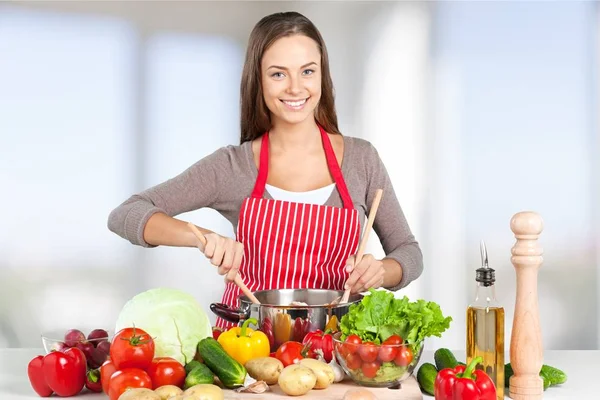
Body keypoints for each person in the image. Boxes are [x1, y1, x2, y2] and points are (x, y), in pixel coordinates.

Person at [107, 11, 423, 329]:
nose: (295, 88)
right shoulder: (233, 166)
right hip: (246, 357)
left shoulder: (362, 159)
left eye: (307, 71)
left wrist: (382, 270)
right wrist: (202, 238)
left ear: (322, 76)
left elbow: (408, 252)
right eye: (278, 74)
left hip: (337, 355)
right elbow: (125, 215)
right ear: (258, 79)